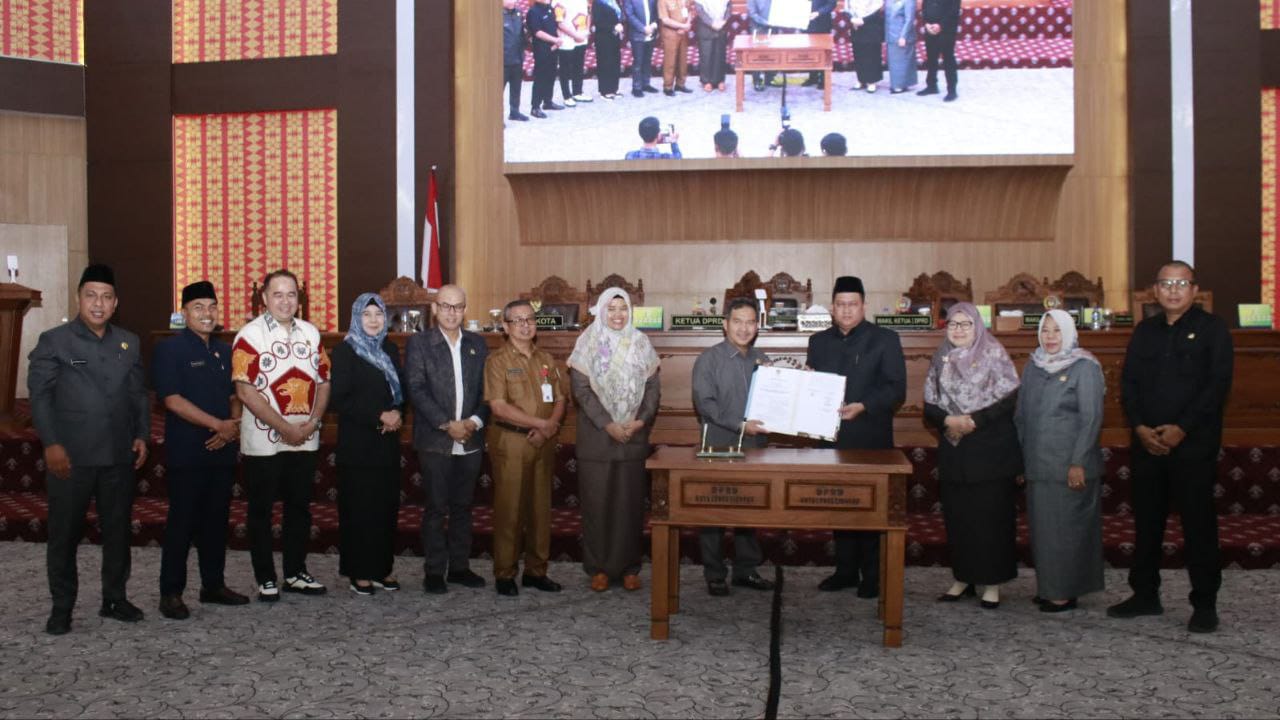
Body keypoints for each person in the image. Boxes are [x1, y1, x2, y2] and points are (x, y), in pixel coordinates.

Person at [1109, 261, 1233, 633]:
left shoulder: (1213, 330)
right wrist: (1141, 428)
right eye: (1166, 284)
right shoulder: (1145, 331)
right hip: (1147, 443)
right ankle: (1145, 594)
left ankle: (1204, 603)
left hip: (1193, 445)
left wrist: (1183, 428)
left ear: (1195, 290)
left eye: (1181, 283)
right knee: (1147, 523)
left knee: (1198, 525)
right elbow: (1128, 383)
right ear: (1154, 291)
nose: (1173, 290)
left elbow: (1217, 386)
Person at [29, 264, 149, 635]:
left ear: (116, 303)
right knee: (64, 534)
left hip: (117, 457)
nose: (99, 303)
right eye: (91, 295)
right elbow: (40, 397)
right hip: (71, 458)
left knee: (117, 532)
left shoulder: (128, 342)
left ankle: (114, 598)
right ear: (79, 298)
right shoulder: (54, 341)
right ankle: (62, 607)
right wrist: (51, 444)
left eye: (106, 296)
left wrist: (141, 434)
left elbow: (138, 395)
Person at [232, 269, 331, 601]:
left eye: (291, 294)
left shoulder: (311, 333)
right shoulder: (250, 335)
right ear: (264, 297)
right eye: (278, 294)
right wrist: (284, 427)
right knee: (261, 510)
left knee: (299, 507)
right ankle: (265, 578)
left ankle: (295, 572)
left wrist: (314, 421)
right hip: (264, 440)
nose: (285, 301)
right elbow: (245, 393)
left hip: (305, 436)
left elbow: (324, 381)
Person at [153, 281, 249, 621]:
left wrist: (232, 426)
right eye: (198, 308)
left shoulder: (225, 351)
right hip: (188, 450)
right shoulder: (170, 350)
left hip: (221, 450)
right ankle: (171, 592)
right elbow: (172, 400)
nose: (206, 314)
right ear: (184, 313)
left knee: (216, 522)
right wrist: (217, 425)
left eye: (212, 307)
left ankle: (213, 585)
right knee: (182, 523)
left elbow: (235, 395)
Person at [805, 276, 906, 599]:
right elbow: (813, 386)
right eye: (840, 304)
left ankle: (873, 575)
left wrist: (864, 406)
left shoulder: (885, 339)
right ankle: (845, 571)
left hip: (870, 436)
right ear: (832, 307)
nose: (846, 310)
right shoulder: (818, 342)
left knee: (870, 508)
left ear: (863, 306)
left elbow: (895, 388)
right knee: (840, 506)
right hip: (831, 439)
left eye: (853, 304)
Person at [923, 302, 1022, 609]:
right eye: (953, 324)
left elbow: (1009, 397)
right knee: (959, 520)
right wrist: (948, 420)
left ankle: (992, 582)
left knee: (991, 520)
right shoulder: (941, 358)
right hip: (955, 453)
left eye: (966, 324)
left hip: (990, 452)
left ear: (978, 326)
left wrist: (974, 421)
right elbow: (929, 405)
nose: (959, 330)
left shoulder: (994, 353)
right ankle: (963, 578)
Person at [569, 288, 661, 592]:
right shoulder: (588, 342)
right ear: (601, 311)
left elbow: (652, 389)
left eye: (623, 308)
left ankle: (629, 567)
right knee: (597, 506)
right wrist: (608, 424)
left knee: (630, 506)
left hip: (633, 437)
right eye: (611, 308)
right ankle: (599, 569)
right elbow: (581, 391)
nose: (618, 315)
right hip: (598, 438)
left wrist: (640, 421)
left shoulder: (641, 342)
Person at [1016, 310, 1105, 612]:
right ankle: (1051, 586)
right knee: (1044, 533)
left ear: (1068, 333)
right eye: (1045, 330)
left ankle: (1064, 593)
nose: (1050, 337)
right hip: (1038, 465)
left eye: (1057, 331)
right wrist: (1019, 458)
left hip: (1070, 466)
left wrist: (1078, 462)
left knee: (1067, 532)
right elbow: (1021, 416)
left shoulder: (1085, 367)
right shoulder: (1033, 365)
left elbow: (1092, 419)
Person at [406, 284, 490, 594]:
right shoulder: (420, 343)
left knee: (463, 507)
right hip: (435, 440)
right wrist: (446, 424)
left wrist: (473, 421)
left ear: (465, 310)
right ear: (434, 309)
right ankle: (433, 571)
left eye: (457, 307)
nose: (452, 312)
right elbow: (416, 389)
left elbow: (487, 392)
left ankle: (459, 567)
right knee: (436, 507)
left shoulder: (477, 344)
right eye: (445, 306)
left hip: (471, 437)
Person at [691, 298, 777, 596]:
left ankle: (746, 570)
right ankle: (715, 573)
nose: (744, 328)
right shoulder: (708, 359)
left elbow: (776, 402)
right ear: (725, 324)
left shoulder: (762, 359)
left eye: (750, 322)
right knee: (713, 512)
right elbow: (706, 405)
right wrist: (740, 424)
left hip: (754, 446)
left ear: (757, 326)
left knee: (750, 510)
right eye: (738, 321)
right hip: (718, 445)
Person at [484, 299, 569, 597]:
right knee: (510, 509)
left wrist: (548, 428)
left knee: (540, 509)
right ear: (506, 327)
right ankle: (505, 573)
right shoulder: (497, 361)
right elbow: (498, 407)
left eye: (529, 319)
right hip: (511, 442)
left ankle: (536, 571)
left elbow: (560, 399)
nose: (525, 324)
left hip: (543, 442)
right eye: (517, 320)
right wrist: (540, 424)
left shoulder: (546, 358)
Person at [330, 293, 405, 596]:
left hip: (387, 445)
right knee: (359, 511)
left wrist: (398, 412)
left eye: (378, 314)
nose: (374, 320)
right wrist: (379, 416)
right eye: (367, 315)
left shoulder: (389, 348)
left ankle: (381, 570)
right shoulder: (345, 352)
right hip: (359, 445)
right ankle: (359, 572)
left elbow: (401, 390)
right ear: (356, 317)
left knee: (385, 510)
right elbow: (340, 400)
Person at [527, 0, 564, 119]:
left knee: (551, 74)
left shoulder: (549, 9)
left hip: (554, 47)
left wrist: (559, 39)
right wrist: (554, 40)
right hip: (542, 48)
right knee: (540, 76)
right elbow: (538, 32)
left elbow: (555, 26)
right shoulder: (533, 11)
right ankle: (535, 107)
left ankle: (548, 101)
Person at [918, 0, 961, 101]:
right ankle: (932, 85)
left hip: (947, 29)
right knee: (931, 57)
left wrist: (940, 25)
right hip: (930, 28)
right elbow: (925, 5)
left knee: (948, 58)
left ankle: (952, 90)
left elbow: (953, 10)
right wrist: (926, 23)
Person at [554, 0, 592, 106]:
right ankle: (566, 96)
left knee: (579, 65)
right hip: (566, 38)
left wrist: (587, 31)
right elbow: (560, 23)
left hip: (582, 36)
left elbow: (588, 14)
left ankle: (577, 92)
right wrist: (575, 35)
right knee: (565, 68)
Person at [846, 0, 884, 92]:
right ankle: (861, 80)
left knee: (871, 54)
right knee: (858, 53)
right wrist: (852, 19)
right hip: (856, 27)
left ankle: (872, 81)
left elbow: (876, 10)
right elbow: (847, 9)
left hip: (871, 27)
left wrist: (863, 20)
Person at [624, 0, 659, 97]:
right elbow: (630, 15)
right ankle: (636, 87)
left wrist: (654, 24)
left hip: (651, 33)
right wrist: (643, 28)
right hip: (637, 34)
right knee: (638, 62)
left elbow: (656, 12)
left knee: (647, 60)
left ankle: (646, 84)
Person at [658, 0, 693, 95]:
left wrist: (687, 25)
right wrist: (683, 26)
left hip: (683, 33)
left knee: (682, 60)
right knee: (670, 60)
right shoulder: (663, 1)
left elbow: (690, 11)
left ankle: (680, 84)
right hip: (670, 32)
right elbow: (665, 20)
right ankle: (668, 87)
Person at [502, 0, 530, 121]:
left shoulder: (519, 13)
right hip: (503, 59)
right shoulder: (497, 15)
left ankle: (514, 112)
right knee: (498, 91)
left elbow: (522, 33)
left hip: (517, 57)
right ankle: (496, 118)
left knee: (516, 87)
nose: (513, 1)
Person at [593, 0, 626, 99]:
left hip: (614, 37)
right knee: (605, 63)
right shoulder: (598, 3)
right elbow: (598, 22)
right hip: (604, 38)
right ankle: (605, 90)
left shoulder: (614, 2)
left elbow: (619, 16)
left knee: (615, 62)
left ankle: (613, 89)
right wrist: (613, 27)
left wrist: (620, 25)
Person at [695, 0, 730, 92]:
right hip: (706, 28)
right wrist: (711, 23)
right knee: (706, 55)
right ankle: (706, 81)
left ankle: (719, 80)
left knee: (720, 54)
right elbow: (700, 11)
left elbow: (728, 8)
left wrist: (724, 21)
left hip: (721, 27)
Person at [884, 0, 917, 94]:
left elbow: (909, 19)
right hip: (890, 34)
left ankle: (900, 85)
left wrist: (903, 36)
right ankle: (896, 84)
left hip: (902, 34)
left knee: (903, 60)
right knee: (894, 62)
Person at [801, 0, 836, 87]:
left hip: (822, 23)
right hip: (807, 23)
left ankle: (823, 79)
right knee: (810, 52)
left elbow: (832, 4)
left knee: (823, 52)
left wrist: (819, 13)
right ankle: (813, 77)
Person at [747, 0, 775, 91]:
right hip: (758, 29)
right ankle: (757, 81)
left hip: (773, 27)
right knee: (757, 56)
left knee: (773, 54)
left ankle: (770, 79)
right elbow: (752, 13)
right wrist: (766, 22)